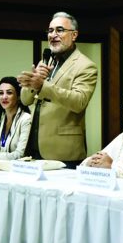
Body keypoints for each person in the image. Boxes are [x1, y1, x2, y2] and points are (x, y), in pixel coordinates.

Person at [17, 12, 98, 168]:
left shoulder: (85, 65)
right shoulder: (45, 60)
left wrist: (42, 86)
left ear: (74, 35)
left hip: (63, 151)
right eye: (50, 30)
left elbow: (79, 101)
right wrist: (30, 85)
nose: (53, 35)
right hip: (33, 146)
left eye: (59, 30)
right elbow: (25, 100)